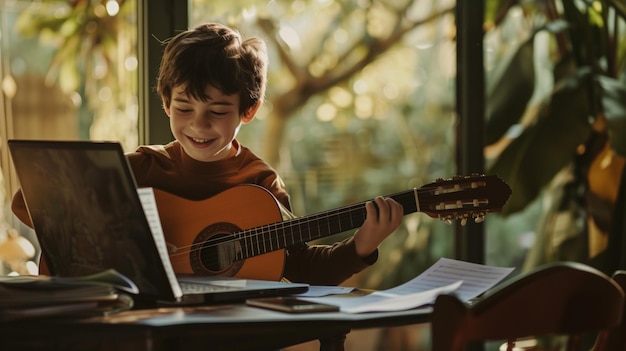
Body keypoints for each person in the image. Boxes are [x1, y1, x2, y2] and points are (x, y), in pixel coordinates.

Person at [11, 22, 404, 286]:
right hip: (146, 325)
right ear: (165, 103)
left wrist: (361, 246)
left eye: (216, 112)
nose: (198, 125)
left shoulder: (259, 182)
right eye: (184, 108)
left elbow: (300, 266)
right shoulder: (145, 167)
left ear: (247, 111)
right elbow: (28, 204)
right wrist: (128, 240)